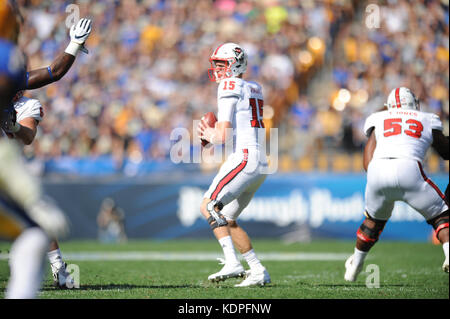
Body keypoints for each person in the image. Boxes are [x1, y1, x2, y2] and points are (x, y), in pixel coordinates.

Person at [1, 6, 92, 288]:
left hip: (5, 166)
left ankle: (59, 270)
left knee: (36, 221)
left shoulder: (25, 103)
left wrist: (74, 46)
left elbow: (27, 136)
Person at [344, 87, 449, 282]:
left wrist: (380, 178)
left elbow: (368, 159)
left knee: (372, 222)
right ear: (414, 103)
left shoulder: (378, 118)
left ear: (389, 105)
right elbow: (445, 152)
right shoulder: (427, 118)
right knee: (442, 215)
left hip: (377, 169)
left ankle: (355, 266)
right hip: (409, 167)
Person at [197, 43, 270, 287]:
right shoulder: (254, 87)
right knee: (227, 218)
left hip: (245, 157)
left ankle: (232, 262)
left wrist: (208, 133)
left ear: (235, 64)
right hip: (260, 162)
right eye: (215, 64)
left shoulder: (228, 85)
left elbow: (223, 135)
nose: (217, 69)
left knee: (208, 206)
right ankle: (258, 270)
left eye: (221, 64)